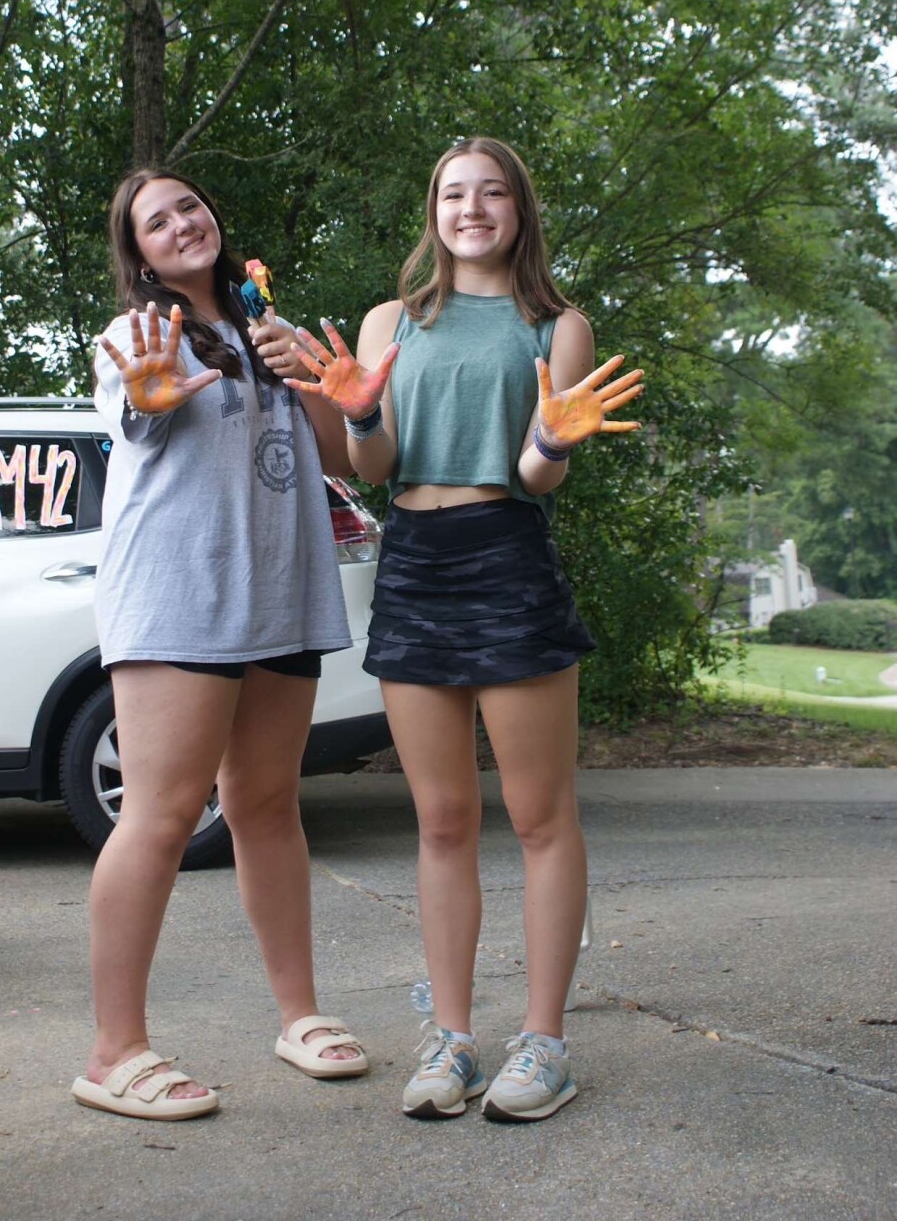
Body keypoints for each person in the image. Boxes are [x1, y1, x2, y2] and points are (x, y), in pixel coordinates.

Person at [287, 136, 643, 1122]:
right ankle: (451, 1041)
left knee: (538, 817)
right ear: (433, 212)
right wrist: (359, 417)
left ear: (519, 211)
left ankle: (545, 1044)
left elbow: (537, 475)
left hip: (507, 557)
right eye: (453, 193)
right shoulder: (390, 321)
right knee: (441, 820)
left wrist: (549, 439)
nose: (472, 208)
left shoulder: (556, 326)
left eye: (491, 193)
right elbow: (374, 466)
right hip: (414, 562)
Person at [71, 168, 368, 1122]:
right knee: (159, 816)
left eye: (189, 207)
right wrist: (149, 398)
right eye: (156, 222)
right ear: (140, 253)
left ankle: (299, 1016)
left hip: (278, 593)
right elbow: (136, 407)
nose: (180, 224)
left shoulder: (269, 327)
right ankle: (113, 1052)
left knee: (267, 805)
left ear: (213, 219)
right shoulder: (135, 336)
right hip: (179, 595)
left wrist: (309, 376)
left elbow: (340, 456)